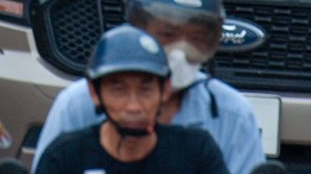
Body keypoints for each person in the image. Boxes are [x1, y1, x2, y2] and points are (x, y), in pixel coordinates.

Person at [35, 0, 264, 174]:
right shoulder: (76, 104)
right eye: (167, 35)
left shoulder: (232, 114)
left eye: (196, 39)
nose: (179, 53)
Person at [32, 26, 229, 174]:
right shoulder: (65, 157)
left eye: (145, 89)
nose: (134, 106)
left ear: (165, 89)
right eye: (119, 90)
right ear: (94, 92)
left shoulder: (197, 153)